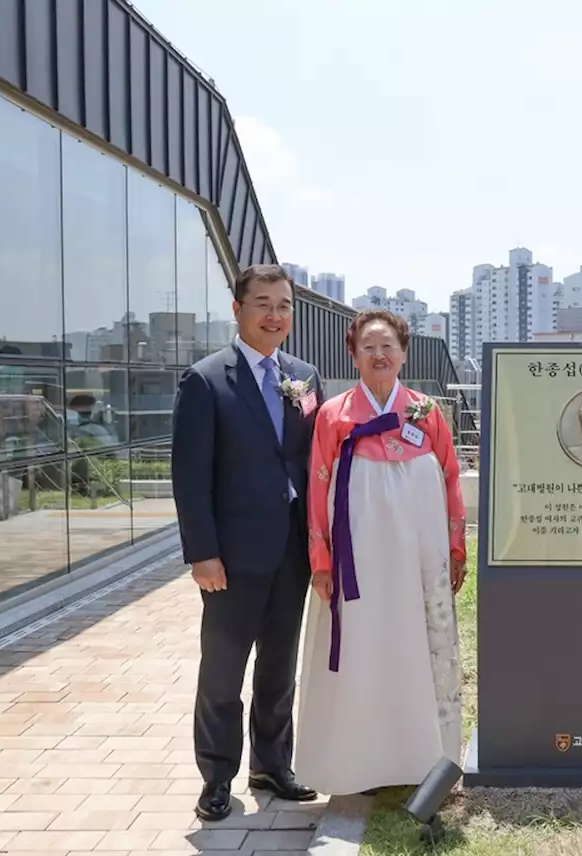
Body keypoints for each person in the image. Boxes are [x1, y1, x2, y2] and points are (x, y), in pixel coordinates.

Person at [171, 264, 325, 821]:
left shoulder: (304, 377)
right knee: (222, 669)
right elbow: (189, 476)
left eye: (283, 305)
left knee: (280, 666)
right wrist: (201, 552)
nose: (275, 315)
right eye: (263, 303)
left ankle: (272, 764)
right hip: (231, 557)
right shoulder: (206, 380)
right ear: (238, 309)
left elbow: (315, 463)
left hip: (293, 549)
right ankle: (216, 777)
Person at [293, 310, 467, 796]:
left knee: (418, 638)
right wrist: (321, 560)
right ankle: (360, 761)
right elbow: (318, 487)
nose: (379, 354)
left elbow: (450, 477)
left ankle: (424, 759)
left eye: (388, 345)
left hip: (418, 546)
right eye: (368, 346)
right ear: (353, 355)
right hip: (360, 551)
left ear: (404, 353)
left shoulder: (427, 412)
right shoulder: (334, 415)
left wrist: (455, 545)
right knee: (364, 642)